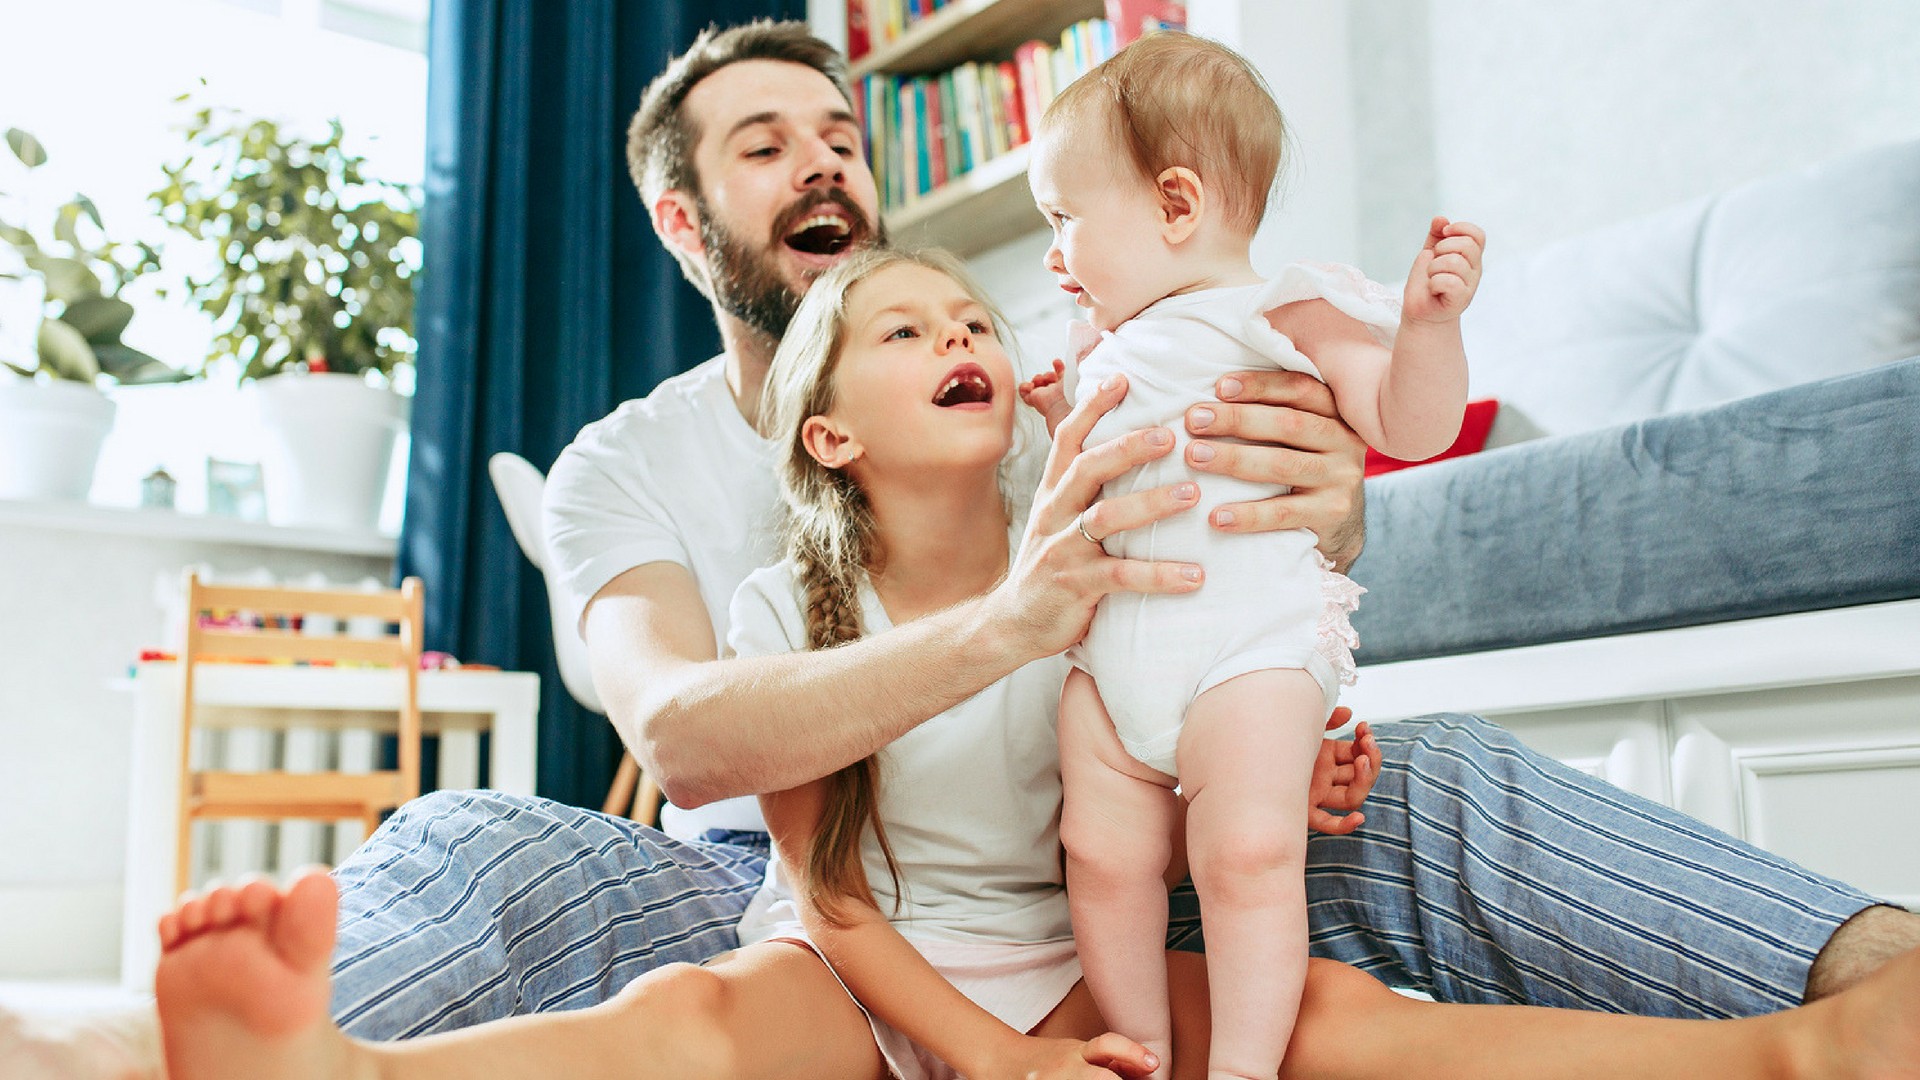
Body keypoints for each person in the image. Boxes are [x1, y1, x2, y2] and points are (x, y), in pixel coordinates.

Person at [6, 17, 1917, 1080]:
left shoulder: (1069, 415)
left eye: (840, 129)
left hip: (1105, 891)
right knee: (504, 854)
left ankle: (1853, 993)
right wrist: (1016, 624)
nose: (826, 158)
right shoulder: (629, 467)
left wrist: (1323, 506)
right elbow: (684, 744)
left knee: (1410, 800)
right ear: (683, 222)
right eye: (767, 144)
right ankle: (163, 1060)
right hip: (776, 896)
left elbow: (1265, 552)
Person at [1014, 34, 1478, 1078]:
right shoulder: (1106, 347)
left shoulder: (1280, 311)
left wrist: (1427, 329)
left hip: (1247, 648)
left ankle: (1243, 1068)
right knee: (1100, 852)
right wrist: (1065, 419)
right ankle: (1141, 1051)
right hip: (1112, 660)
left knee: (1247, 853)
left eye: (1065, 218)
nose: (1054, 252)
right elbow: (1102, 487)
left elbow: (1409, 422)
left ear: (1177, 206)